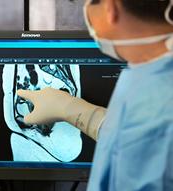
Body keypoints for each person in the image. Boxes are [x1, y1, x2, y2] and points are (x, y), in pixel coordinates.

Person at [17, 0, 173, 190]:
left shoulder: (158, 94)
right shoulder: (148, 73)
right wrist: (77, 111)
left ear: (110, 8)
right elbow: (137, 138)